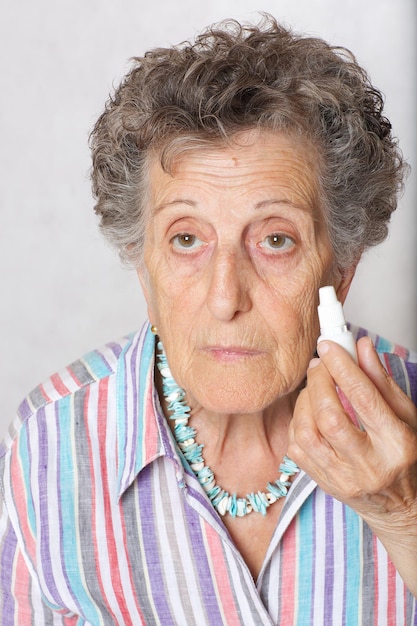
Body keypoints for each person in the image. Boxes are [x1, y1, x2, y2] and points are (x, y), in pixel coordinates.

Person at [0, 14, 416, 625]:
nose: (226, 298)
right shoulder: (50, 444)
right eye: (187, 239)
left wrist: (404, 515)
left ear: (341, 269)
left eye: (276, 240)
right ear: (144, 269)